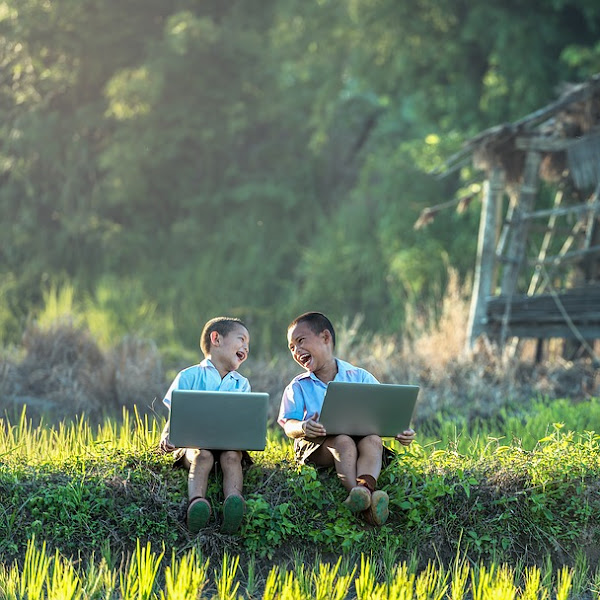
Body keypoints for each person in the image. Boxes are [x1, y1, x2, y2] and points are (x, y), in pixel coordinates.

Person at [278, 311, 416, 526]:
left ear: (325, 338)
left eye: (301, 341)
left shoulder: (359, 376)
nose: (296, 350)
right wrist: (304, 427)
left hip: (358, 440)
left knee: (373, 440)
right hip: (318, 446)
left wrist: (400, 431)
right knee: (343, 441)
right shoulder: (298, 385)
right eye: (291, 347)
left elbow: (385, 410)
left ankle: (363, 491)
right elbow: (288, 424)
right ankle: (358, 493)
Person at [160, 316, 251, 535]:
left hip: (229, 443)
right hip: (195, 444)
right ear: (216, 339)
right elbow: (175, 414)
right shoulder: (189, 376)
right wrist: (167, 435)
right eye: (241, 340)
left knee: (232, 456)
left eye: (248, 345)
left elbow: (243, 420)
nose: (246, 348)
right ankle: (197, 504)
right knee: (203, 456)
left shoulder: (241, 383)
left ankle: (234, 503)